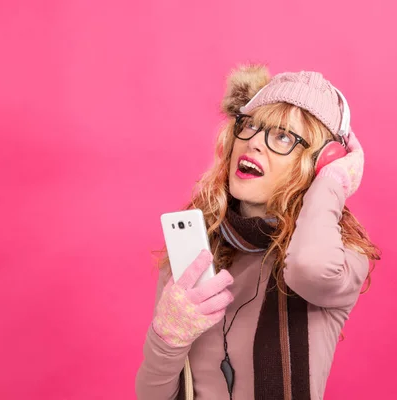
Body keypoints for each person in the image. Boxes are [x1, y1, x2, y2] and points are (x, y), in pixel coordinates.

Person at [135, 65, 381, 400]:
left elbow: (309, 268)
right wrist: (166, 338)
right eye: (249, 126)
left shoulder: (342, 256)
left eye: (282, 137)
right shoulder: (195, 254)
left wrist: (332, 182)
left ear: (320, 162)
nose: (253, 144)